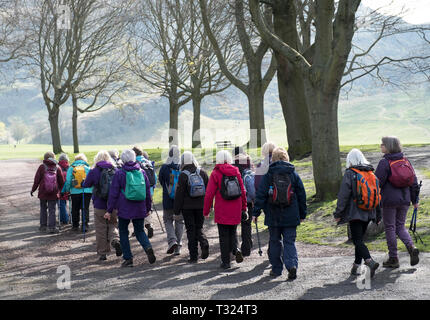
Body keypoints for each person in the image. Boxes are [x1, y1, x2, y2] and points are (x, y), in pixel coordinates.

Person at [252, 147, 307, 280]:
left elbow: (261, 195)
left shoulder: (268, 174)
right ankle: (292, 265)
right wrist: (302, 214)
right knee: (289, 241)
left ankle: (276, 269)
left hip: (273, 214)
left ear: (273, 159)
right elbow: (301, 195)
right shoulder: (293, 174)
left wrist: (256, 212)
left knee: (275, 241)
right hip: (291, 214)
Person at [333, 148, 381, 278]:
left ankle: (369, 261)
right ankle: (355, 266)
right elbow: (378, 195)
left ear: (350, 160)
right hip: (369, 211)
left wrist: (338, 213)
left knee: (357, 240)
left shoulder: (350, 173)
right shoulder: (371, 173)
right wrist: (378, 215)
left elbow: (343, 195)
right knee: (359, 240)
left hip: (355, 213)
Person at [375, 136, 420, 268]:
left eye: (382, 144)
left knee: (390, 227)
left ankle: (393, 258)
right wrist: (415, 200)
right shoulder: (406, 161)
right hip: (405, 199)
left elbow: (378, 183)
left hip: (389, 201)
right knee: (400, 226)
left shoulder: (384, 162)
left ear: (388, 146)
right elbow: (414, 182)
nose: (380, 146)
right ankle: (411, 246)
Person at [106, 149, 156, 268]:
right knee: (139, 231)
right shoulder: (142, 172)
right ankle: (148, 247)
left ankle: (128, 258)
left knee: (123, 231)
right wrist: (148, 208)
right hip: (139, 206)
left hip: (124, 208)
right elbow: (147, 192)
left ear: (123, 159)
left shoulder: (119, 173)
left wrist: (109, 210)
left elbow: (113, 193)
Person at [203, 150, 247, 269]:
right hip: (235, 206)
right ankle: (235, 249)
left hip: (222, 208)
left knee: (223, 236)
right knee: (233, 232)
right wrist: (244, 207)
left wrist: (206, 211)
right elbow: (242, 190)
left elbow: (209, 194)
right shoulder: (236, 171)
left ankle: (226, 262)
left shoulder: (215, 173)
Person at [82, 150, 122, 261]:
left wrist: (83, 182)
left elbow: (86, 184)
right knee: (113, 224)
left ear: (97, 159)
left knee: (100, 228)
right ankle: (115, 240)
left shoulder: (94, 171)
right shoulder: (115, 170)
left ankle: (103, 253)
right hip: (113, 204)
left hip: (99, 204)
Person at [174, 151, 210, 263]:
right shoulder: (202, 172)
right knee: (199, 227)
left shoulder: (183, 175)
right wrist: (209, 206)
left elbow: (179, 195)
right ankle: (204, 243)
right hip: (201, 206)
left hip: (187, 207)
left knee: (190, 230)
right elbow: (208, 191)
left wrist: (176, 210)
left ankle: (193, 256)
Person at [159, 145, 185, 255]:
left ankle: (172, 240)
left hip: (168, 200)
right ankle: (178, 247)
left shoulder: (164, 167)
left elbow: (161, 181)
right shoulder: (182, 166)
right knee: (179, 221)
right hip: (180, 201)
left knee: (168, 220)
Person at [31, 152, 65, 233]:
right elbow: (61, 182)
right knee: (52, 209)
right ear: (53, 157)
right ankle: (52, 227)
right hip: (54, 192)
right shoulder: (57, 167)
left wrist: (33, 190)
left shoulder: (42, 167)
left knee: (43, 208)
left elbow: (36, 180)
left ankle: (43, 226)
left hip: (43, 191)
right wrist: (61, 191)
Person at [232, 147, 255, 257]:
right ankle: (246, 248)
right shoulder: (248, 172)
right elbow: (252, 190)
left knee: (233, 226)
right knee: (246, 225)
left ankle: (235, 248)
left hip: (234, 201)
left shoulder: (232, 169)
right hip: (248, 202)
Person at [62, 153, 93, 232]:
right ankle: (85, 225)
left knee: (75, 208)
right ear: (84, 160)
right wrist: (91, 190)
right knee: (85, 208)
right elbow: (91, 180)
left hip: (75, 192)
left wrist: (67, 190)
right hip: (86, 191)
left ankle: (75, 225)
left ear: (75, 160)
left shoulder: (71, 168)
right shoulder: (87, 168)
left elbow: (68, 180)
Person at [133, 146, 157, 238]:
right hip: (149, 190)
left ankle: (137, 229)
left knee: (136, 209)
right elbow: (154, 177)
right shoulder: (148, 162)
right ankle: (148, 224)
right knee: (148, 208)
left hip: (138, 190)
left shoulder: (134, 163)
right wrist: (152, 188)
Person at [58, 153, 70, 225]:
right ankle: (67, 218)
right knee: (67, 204)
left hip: (60, 189)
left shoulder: (57, 167)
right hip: (68, 189)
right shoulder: (70, 167)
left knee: (61, 204)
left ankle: (64, 219)